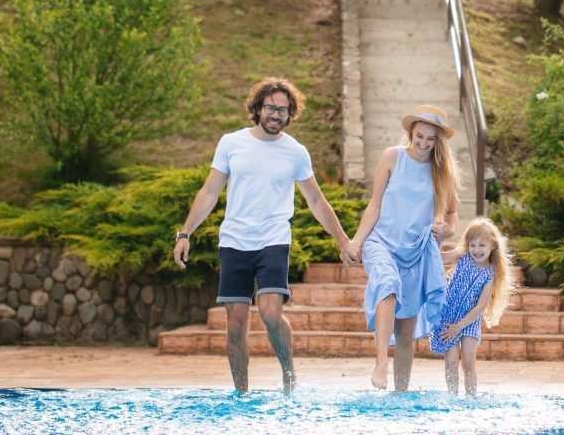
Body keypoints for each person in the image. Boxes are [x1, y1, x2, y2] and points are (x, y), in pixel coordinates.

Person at [173, 77, 355, 393]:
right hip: (234, 242)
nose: (276, 114)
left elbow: (316, 200)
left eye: (283, 110)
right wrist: (184, 233)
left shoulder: (295, 152)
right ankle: (241, 393)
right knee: (235, 327)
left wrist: (343, 240)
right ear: (257, 109)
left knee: (271, 314)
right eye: (271, 107)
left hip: (273, 239)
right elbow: (210, 191)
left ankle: (288, 375)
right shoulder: (231, 143)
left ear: (290, 114)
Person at [349, 105, 461, 391]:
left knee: (405, 332)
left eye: (430, 139)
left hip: (417, 251)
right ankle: (380, 364)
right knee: (387, 283)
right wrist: (356, 241)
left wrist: (446, 229)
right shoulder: (392, 157)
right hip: (382, 241)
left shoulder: (442, 173)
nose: (423, 143)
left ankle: (400, 397)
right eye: (419, 136)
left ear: (439, 141)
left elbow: (451, 215)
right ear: (410, 132)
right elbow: (374, 205)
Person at [429, 217, 514, 396]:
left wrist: (459, 327)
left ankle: (470, 399)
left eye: (482, 245)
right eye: (472, 245)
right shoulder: (463, 256)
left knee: (468, 361)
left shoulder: (490, 273)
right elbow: (437, 258)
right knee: (451, 360)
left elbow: (480, 306)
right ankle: (452, 397)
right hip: (449, 316)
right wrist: (436, 238)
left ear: (493, 246)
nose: (476, 250)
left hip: (469, 321)